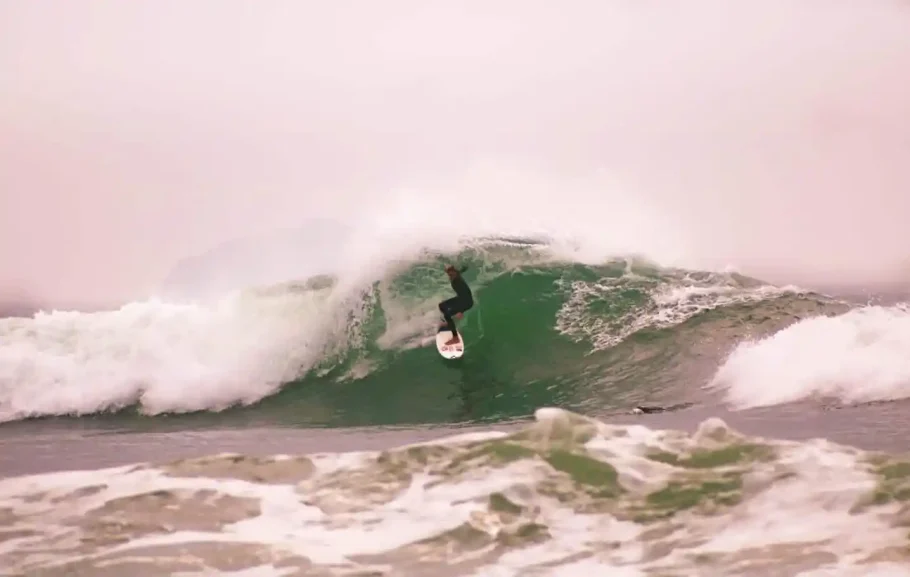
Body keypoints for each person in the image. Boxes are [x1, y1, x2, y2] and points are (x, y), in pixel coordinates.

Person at [438, 264, 473, 346]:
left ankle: (455, 338)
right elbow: (463, 268)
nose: (449, 275)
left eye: (451, 274)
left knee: (447, 315)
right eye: (448, 273)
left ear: (454, 272)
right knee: (442, 306)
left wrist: (461, 311)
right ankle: (449, 323)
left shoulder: (457, 282)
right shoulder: (457, 274)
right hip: (460, 298)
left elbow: (467, 294)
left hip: (466, 302)